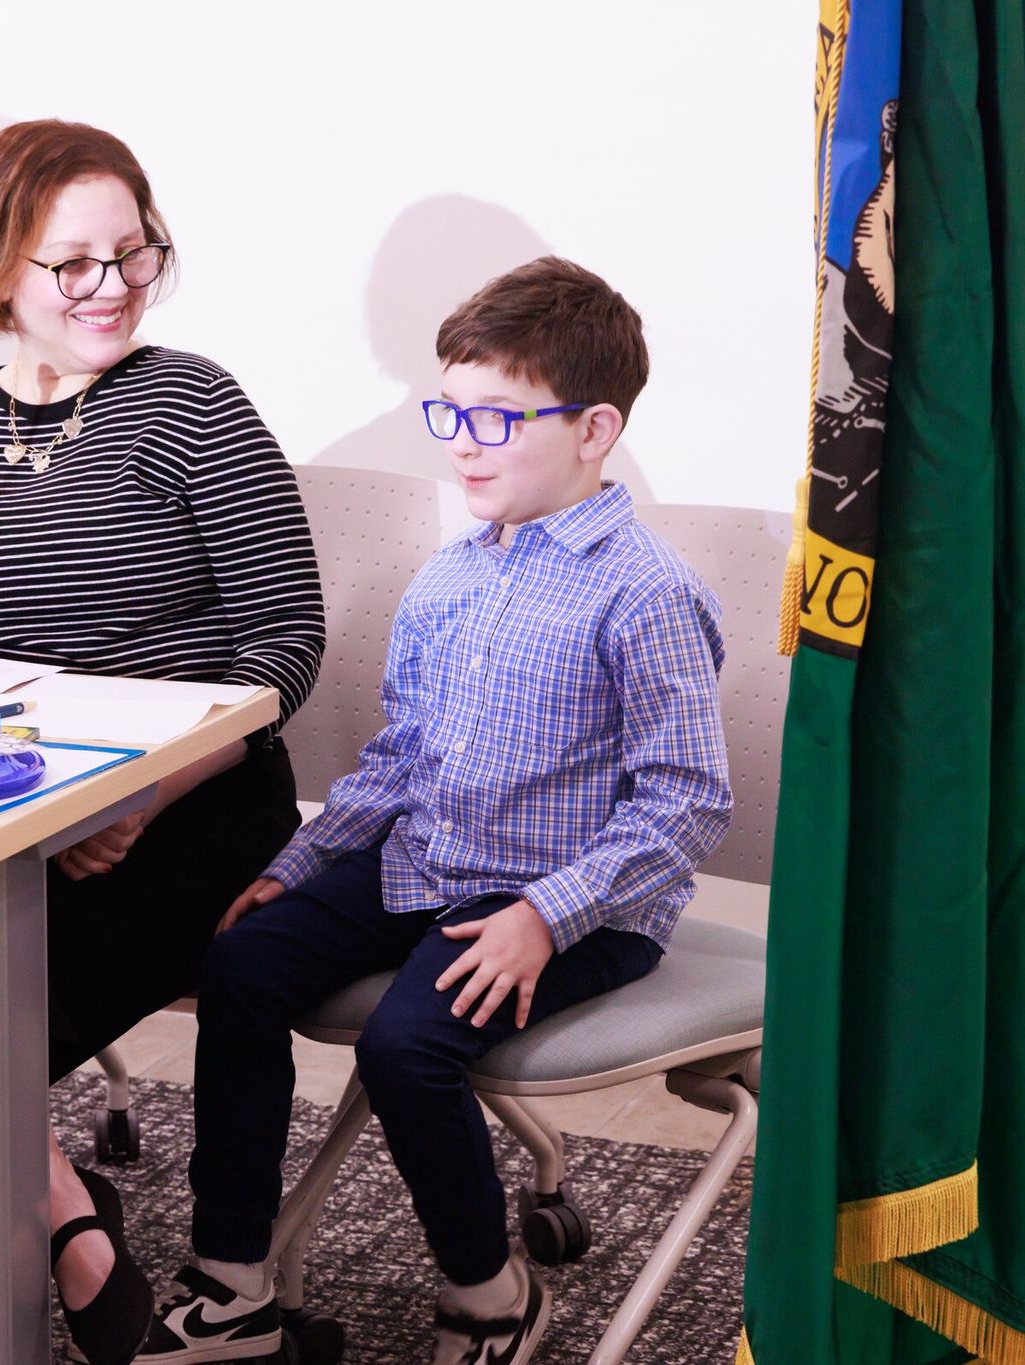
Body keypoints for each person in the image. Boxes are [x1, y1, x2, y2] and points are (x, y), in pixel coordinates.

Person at [135, 257, 733, 1365]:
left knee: (410, 1045)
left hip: (575, 906)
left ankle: (489, 1293)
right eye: (449, 411)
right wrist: (302, 863)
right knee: (243, 961)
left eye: (497, 417)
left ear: (594, 428)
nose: (461, 440)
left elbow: (685, 804)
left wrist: (543, 917)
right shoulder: (449, 575)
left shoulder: (644, 591)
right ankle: (231, 1278)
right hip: (430, 861)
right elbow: (400, 757)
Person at [0, 119, 326, 1365]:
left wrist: (135, 800)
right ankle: (72, 1230)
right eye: (73, 264)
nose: (112, 287)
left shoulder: (191, 404)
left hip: (195, 802)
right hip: (15, 811)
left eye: (133, 253)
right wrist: (41, 805)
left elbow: (283, 647)